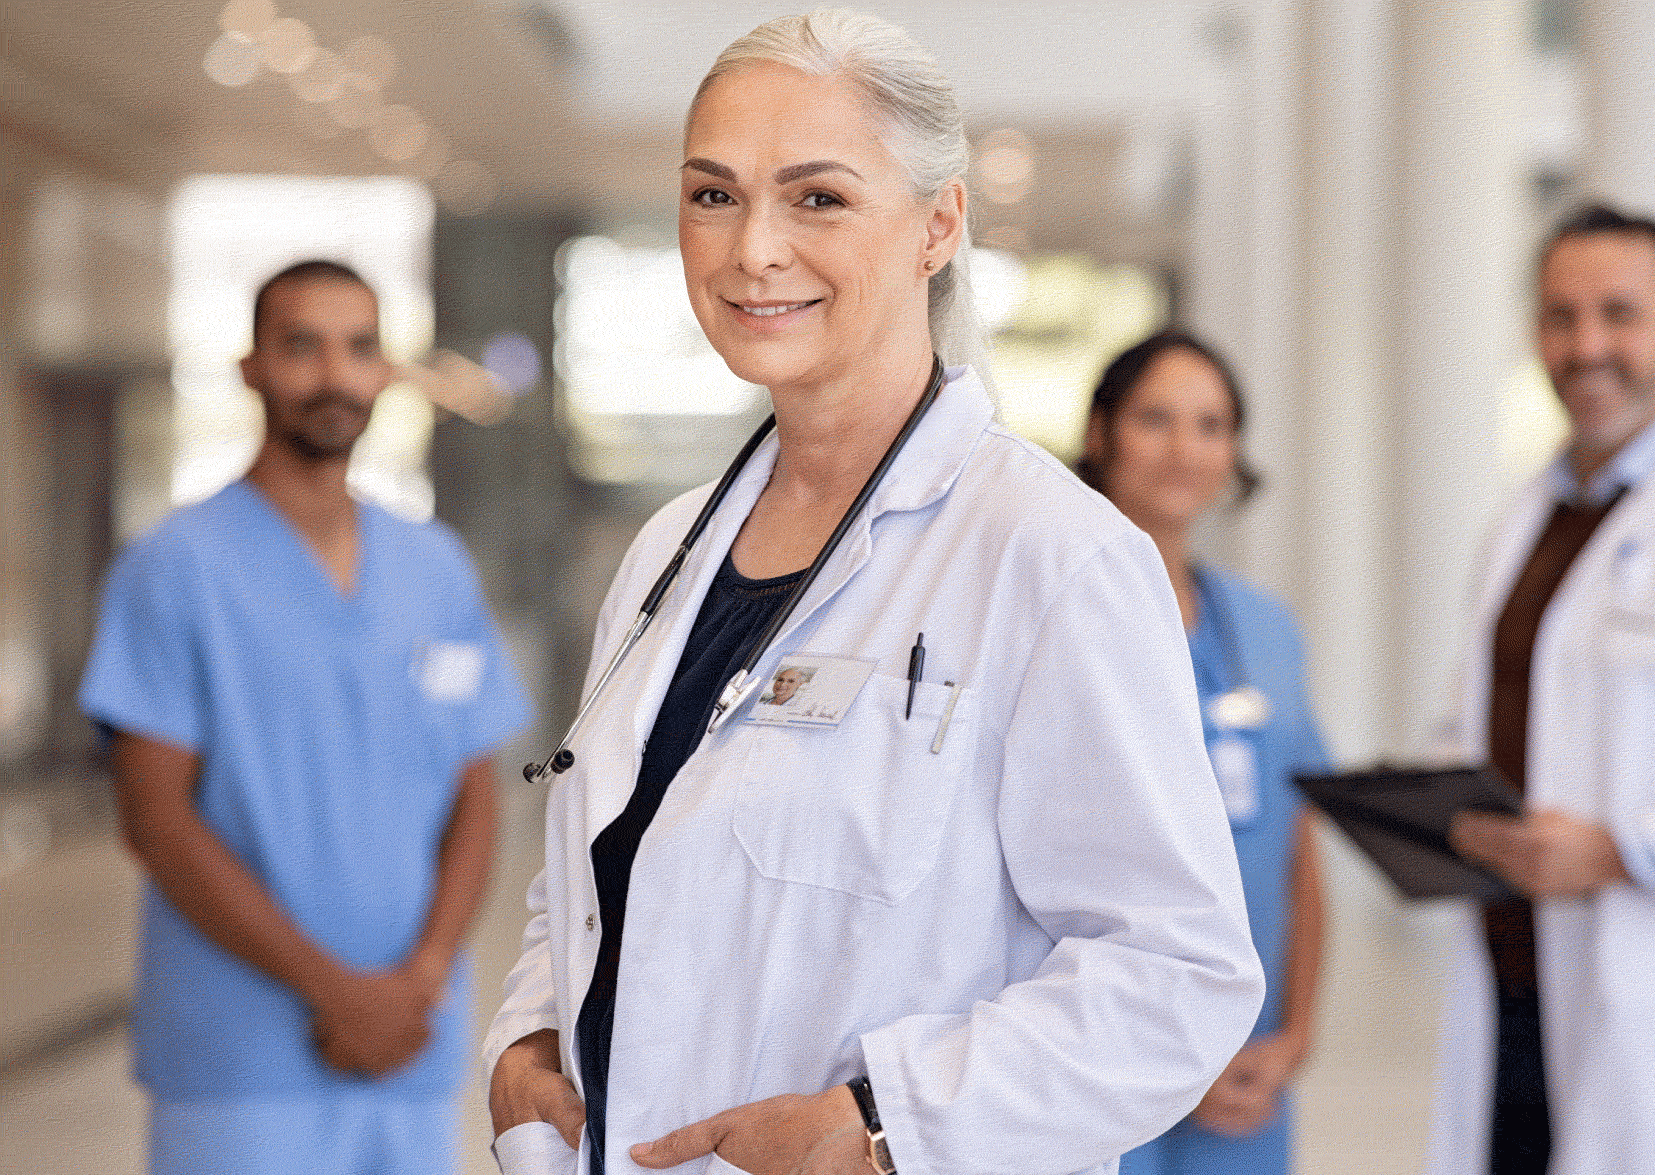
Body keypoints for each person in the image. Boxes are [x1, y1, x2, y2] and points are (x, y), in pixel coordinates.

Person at [484, 12, 1265, 1175]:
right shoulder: (663, 555)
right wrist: (524, 1032)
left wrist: (887, 1124)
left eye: (817, 199)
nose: (752, 249)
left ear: (936, 225)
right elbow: (606, 864)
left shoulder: (1051, 557)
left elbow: (1177, 973)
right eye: (713, 195)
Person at [79, 259, 532, 1175]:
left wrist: (423, 977)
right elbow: (155, 819)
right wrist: (338, 993)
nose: (334, 375)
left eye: (359, 347)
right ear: (252, 368)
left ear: (385, 371)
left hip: (410, 1046)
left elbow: (474, 795)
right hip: (240, 1059)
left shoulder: (433, 567)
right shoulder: (176, 567)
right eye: (301, 345)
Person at [1426, 202, 1655, 1175]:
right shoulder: (1525, 515)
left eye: (1618, 313)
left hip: (1626, 969)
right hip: (1511, 964)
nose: (1585, 344)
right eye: (1559, 316)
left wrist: (1615, 849)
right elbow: (1478, 710)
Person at [1077, 330, 1329, 1175]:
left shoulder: (1265, 628)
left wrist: (1293, 1032)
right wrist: (1166, 1058)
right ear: (1101, 432)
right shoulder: (1055, 621)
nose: (1185, 449)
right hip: (1098, 1059)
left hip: (1245, 1069)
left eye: (1210, 424)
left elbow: (1298, 843)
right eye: (1155, 418)